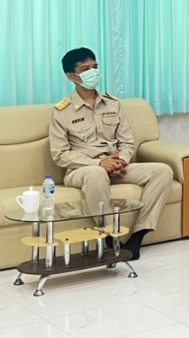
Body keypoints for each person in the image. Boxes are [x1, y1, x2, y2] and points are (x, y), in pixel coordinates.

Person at [48, 47, 172, 260]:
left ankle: (137, 236)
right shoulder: (62, 111)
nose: (93, 72)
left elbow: (127, 141)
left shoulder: (113, 103)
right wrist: (99, 164)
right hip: (83, 171)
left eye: (95, 67)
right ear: (71, 76)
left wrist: (121, 160)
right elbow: (60, 154)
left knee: (163, 171)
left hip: (116, 166)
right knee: (96, 174)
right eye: (85, 69)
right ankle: (109, 237)